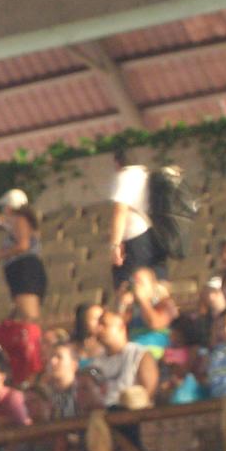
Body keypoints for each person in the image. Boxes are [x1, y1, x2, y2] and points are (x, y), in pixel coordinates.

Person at [108, 148, 167, 287]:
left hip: (136, 238)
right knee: (158, 282)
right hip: (156, 235)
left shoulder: (125, 177)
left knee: (128, 284)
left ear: (117, 163)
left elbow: (120, 211)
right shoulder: (145, 174)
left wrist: (115, 245)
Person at [0, 189, 47, 321]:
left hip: (24, 269)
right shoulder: (19, 222)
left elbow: (23, 245)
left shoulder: (20, 220)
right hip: (22, 269)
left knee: (29, 316)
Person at [91, 311, 158, 407]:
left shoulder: (140, 354)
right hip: (103, 412)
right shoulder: (95, 362)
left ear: (121, 328)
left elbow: (148, 393)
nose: (99, 329)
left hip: (133, 411)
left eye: (104, 325)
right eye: (98, 325)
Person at [118, 267, 178, 360]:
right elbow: (118, 328)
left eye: (140, 283)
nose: (136, 287)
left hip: (157, 355)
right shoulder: (132, 308)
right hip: (133, 354)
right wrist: (122, 305)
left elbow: (155, 323)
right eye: (133, 283)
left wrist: (143, 299)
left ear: (153, 286)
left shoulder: (165, 303)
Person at [46, 341, 81, 419]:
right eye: (50, 357)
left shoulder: (82, 392)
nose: (52, 362)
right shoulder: (45, 395)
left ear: (74, 364)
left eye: (59, 357)